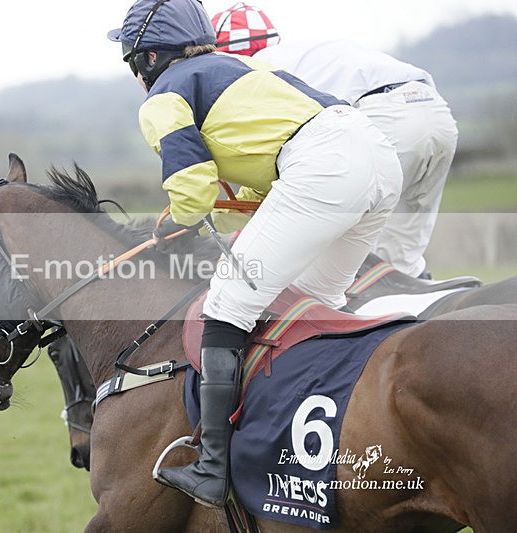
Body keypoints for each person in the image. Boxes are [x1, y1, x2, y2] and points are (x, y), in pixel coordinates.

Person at [108, 0, 403, 507]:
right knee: (308, 303)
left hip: (324, 168)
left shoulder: (163, 96)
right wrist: (201, 213)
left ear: (148, 60)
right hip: (377, 158)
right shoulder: (245, 68)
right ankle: (321, 438)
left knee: (225, 304)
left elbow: (192, 187)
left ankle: (212, 468)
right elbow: (252, 194)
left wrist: (177, 222)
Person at [211, 3, 459, 279]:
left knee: (330, 269)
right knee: (400, 267)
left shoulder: (256, 73)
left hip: (382, 116)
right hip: (436, 112)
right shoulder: (304, 53)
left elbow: (275, 168)